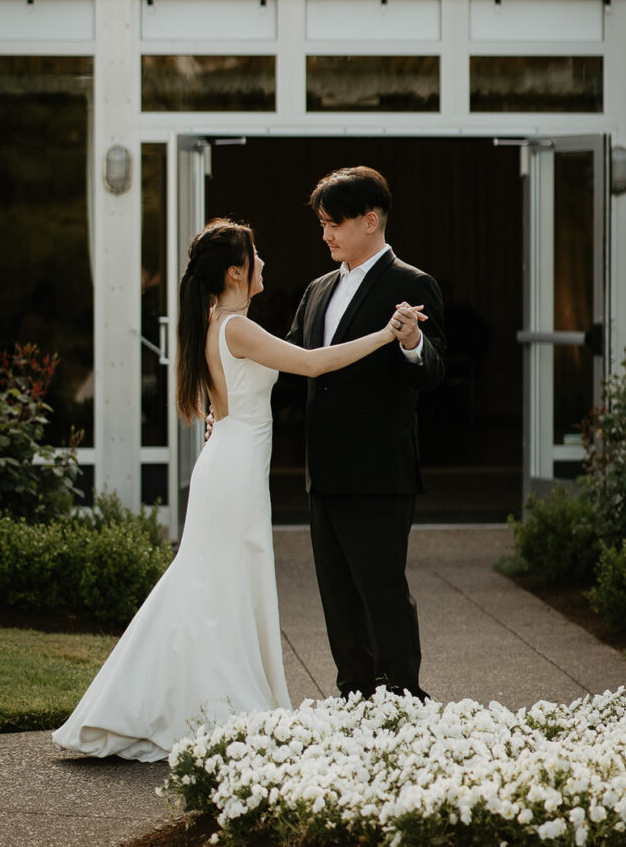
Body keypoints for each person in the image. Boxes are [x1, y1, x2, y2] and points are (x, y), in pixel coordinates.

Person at [52, 218, 417, 761]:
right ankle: (217, 706)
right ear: (235, 271)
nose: (264, 264)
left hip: (228, 462)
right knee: (219, 584)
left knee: (214, 583)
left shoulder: (217, 323)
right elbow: (313, 364)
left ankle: (179, 701)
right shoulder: (235, 326)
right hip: (235, 467)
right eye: (256, 256)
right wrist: (389, 335)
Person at [284, 166, 446, 701]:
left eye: (335, 223)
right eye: (322, 224)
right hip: (323, 470)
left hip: (379, 469)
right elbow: (290, 368)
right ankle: (353, 696)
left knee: (381, 591)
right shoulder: (316, 289)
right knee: (336, 595)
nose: (325, 234)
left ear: (370, 220)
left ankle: (403, 698)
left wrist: (411, 340)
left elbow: (432, 373)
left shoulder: (412, 284)